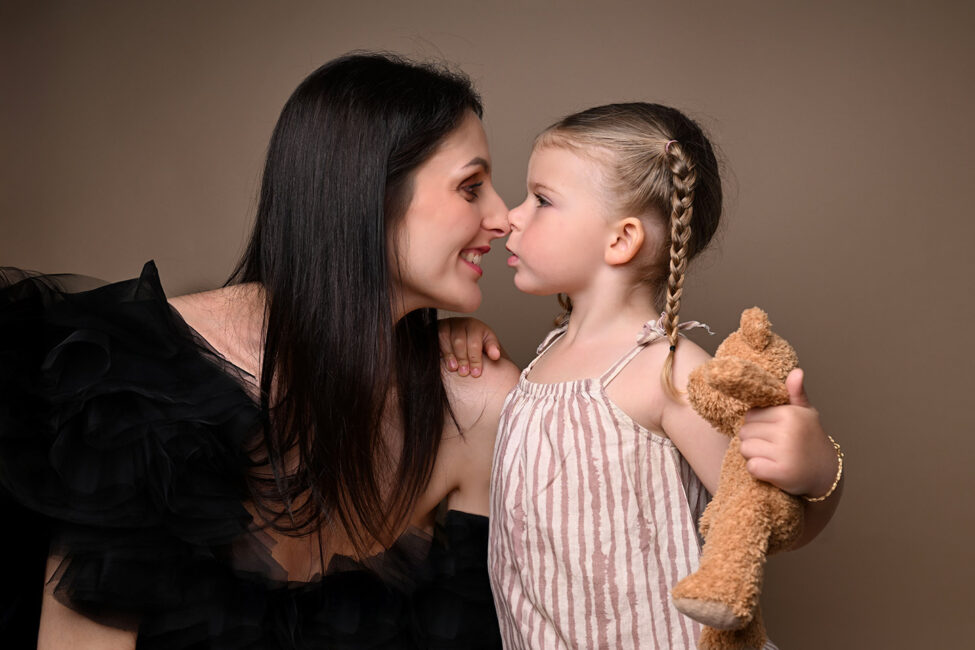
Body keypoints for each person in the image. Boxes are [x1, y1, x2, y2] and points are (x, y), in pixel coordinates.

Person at [0, 53, 520, 649]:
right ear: (368, 193)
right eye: (471, 187)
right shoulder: (139, 380)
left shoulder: (474, 398)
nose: (503, 217)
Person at [441, 103, 844, 649]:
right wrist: (458, 332)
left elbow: (761, 521)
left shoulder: (669, 372)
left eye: (541, 200)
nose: (512, 215)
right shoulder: (545, 358)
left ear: (620, 239)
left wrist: (817, 472)